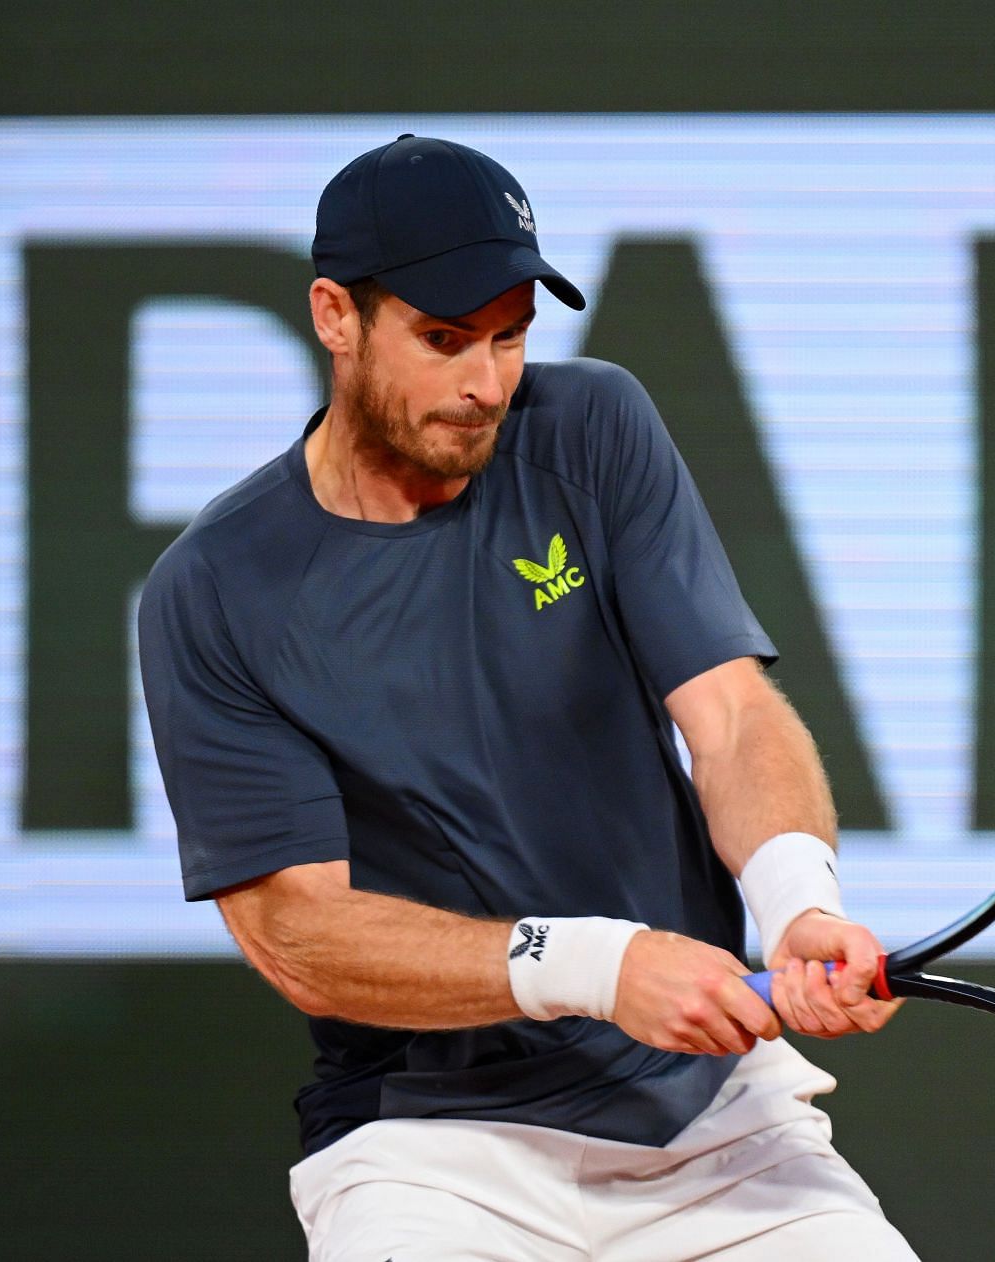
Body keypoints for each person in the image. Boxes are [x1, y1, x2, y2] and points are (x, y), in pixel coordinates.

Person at [137, 134, 919, 1261]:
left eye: (510, 338)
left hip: (712, 1123)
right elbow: (297, 933)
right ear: (333, 315)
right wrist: (598, 965)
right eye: (445, 340)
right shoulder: (214, 590)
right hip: (429, 1151)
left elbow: (733, 712)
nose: (486, 384)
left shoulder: (592, 430)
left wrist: (799, 898)